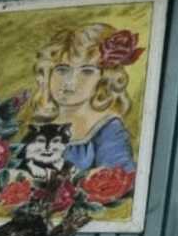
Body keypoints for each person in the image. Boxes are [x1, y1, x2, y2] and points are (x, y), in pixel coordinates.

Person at [29, 22, 138, 173]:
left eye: (86, 72)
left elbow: (118, 180)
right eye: (62, 70)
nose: (70, 82)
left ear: (103, 79)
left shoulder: (107, 129)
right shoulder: (41, 125)